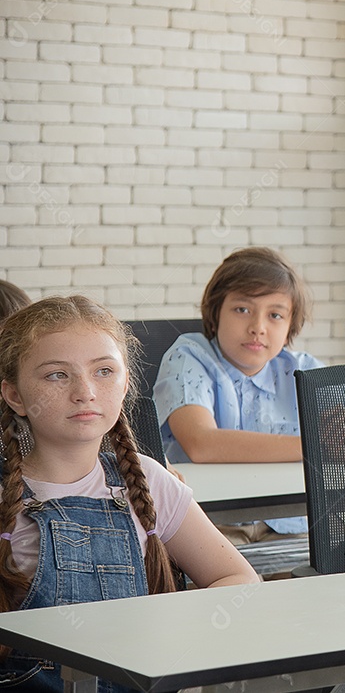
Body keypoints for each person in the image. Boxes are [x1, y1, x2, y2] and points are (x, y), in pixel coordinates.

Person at [0, 296, 258, 691]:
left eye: (104, 371)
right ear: (14, 394)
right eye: (56, 375)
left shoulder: (148, 479)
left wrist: (162, 625)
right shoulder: (6, 495)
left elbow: (239, 578)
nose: (85, 391)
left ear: (125, 385)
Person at [153, 247, 323, 540]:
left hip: (290, 519)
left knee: (311, 580)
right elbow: (201, 444)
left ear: (290, 325)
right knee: (232, 581)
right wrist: (316, 444)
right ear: (216, 311)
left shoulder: (302, 368)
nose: (258, 328)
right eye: (242, 310)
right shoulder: (189, 356)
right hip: (208, 520)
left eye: (275, 315)